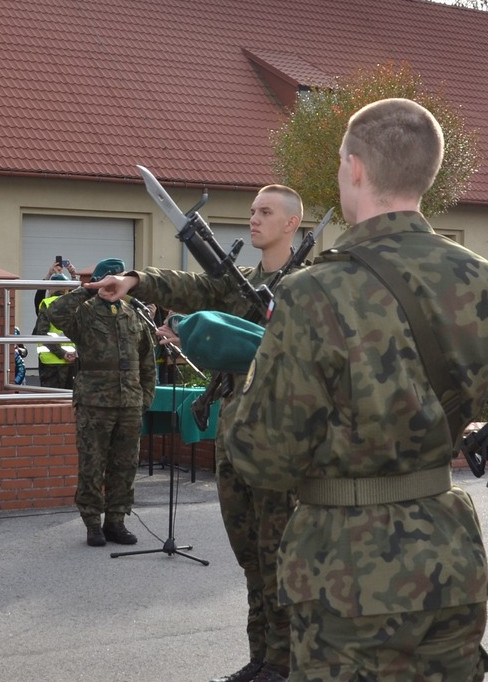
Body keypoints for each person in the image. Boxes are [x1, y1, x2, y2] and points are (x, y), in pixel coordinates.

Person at [227, 98, 488, 681]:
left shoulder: (313, 292)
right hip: (451, 553)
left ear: (357, 170)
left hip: (346, 567)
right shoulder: (478, 279)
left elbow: (262, 458)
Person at [88, 184, 304, 682]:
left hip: (280, 439)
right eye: (252, 211)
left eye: (265, 212)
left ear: (292, 223)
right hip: (234, 430)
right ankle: (261, 658)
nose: (253, 220)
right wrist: (136, 280)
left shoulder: (307, 286)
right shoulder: (239, 281)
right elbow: (188, 285)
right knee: (249, 554)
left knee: (280, 556)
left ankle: (285, 662)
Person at [47, 258, 155, 547]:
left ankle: (116, 521)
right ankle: (92, 522)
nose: (112, 285)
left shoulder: (133, 314)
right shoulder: (83, 314)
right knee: (93, 464)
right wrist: (89, 290)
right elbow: (54, 312)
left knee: (125, 464)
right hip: (95, 402)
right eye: (107, 280)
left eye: (115, 279)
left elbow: (147, 359)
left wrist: (146, 396)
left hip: (130, 401)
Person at [33, 274, 77, 389]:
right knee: (69, 400)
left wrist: (62, 354)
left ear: (51, 288)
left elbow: (41, 333)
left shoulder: (47, 303)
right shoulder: (74, 304)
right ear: (66, 288)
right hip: (72, 361)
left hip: (51, 362)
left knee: (51, 400)